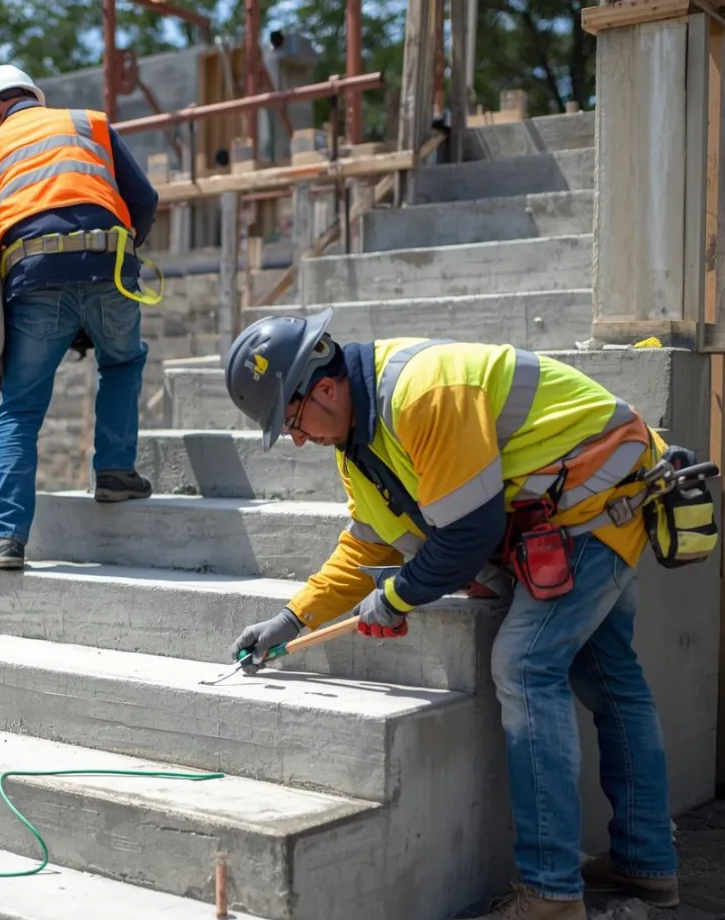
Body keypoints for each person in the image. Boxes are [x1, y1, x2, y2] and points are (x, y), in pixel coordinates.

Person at [223, 306, 682, 919]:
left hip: (600, 498)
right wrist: (292, 618)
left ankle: (551, 894)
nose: (299, 439)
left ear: (324, 387)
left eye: (291, 420)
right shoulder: (357, 446)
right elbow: (369, 545)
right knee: (608, 678)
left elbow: (469, 531)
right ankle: (645, 864)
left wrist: (396, 598)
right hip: (571, 512)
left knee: (524, 665)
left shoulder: (423, 392)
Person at [0, 64, 159, 570]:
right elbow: (145, 199)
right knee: (122, 362)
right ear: (30, 99)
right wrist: (117, 251)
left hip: (34, 280)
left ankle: (7, 538)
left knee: (19, 408)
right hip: (110, 269)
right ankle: (115, 473)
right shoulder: (89, 124)